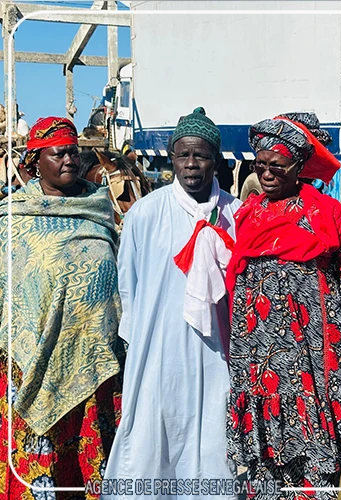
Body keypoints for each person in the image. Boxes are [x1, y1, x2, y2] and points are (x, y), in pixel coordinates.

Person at [105, 108, 241, 493]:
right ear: (171, 156)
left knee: (211, 439)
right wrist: (138, 341)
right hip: (157, 351)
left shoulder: (235, 213)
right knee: (153, 436)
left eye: (201, 155)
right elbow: (127, 284)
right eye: (184, 155)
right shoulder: (146, 214)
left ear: (216, 159)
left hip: (217, 352)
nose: (192, 164)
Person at [225, 112, 341, 497]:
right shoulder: (247, 212)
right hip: (258, 342)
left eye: (277, 167)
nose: (267, 174)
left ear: (299, 166)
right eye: (261, 166)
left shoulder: (326, 212)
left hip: (310, 345)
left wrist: (340, 323)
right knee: (265, 427)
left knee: (310, 422)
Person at [0, 117, 122, 495]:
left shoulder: (101, 209)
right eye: (58, 153)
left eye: (73, 152)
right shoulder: (12, 219)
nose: (69, 159)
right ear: (36, 161)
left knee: (94, 460)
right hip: (31, 362)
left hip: (94, 363)